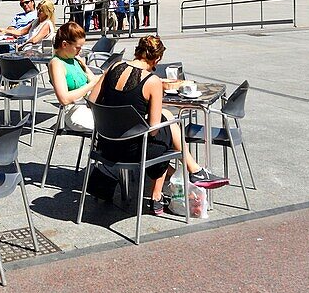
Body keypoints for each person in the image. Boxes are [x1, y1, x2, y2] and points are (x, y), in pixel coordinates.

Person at [88, 36, 227, 216]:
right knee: (167, 132)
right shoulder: (152, 81)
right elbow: (153, 130)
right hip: (133, 151)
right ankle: (171, 186)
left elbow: (92, 101)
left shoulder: (113, 67)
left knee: (166, 121)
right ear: (157, 59)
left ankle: (191, 173)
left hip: (105, 148)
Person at [47, 22, 99, 131]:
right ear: (65, 44)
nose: (80, 51)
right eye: (78, 48)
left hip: (89, 105)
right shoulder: (57, 63)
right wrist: (90, 85)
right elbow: (64, 99)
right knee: (111, 128)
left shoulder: (75, 59)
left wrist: (85, 67)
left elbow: (94, 81)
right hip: (75, 110)